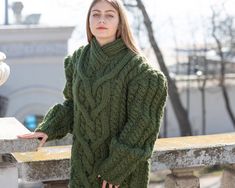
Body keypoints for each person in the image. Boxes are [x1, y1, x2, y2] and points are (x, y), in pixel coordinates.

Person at [17, 0, 168, 187]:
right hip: (83, 168)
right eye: (95, 14)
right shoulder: (77, 60)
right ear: (88, 21)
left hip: (120, 177)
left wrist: (115, 169)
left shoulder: (142, 72)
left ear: (120, 23)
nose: (101, 20)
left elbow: (142, 127)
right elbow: (73, 106)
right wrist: (47, 128)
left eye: (109, 15)